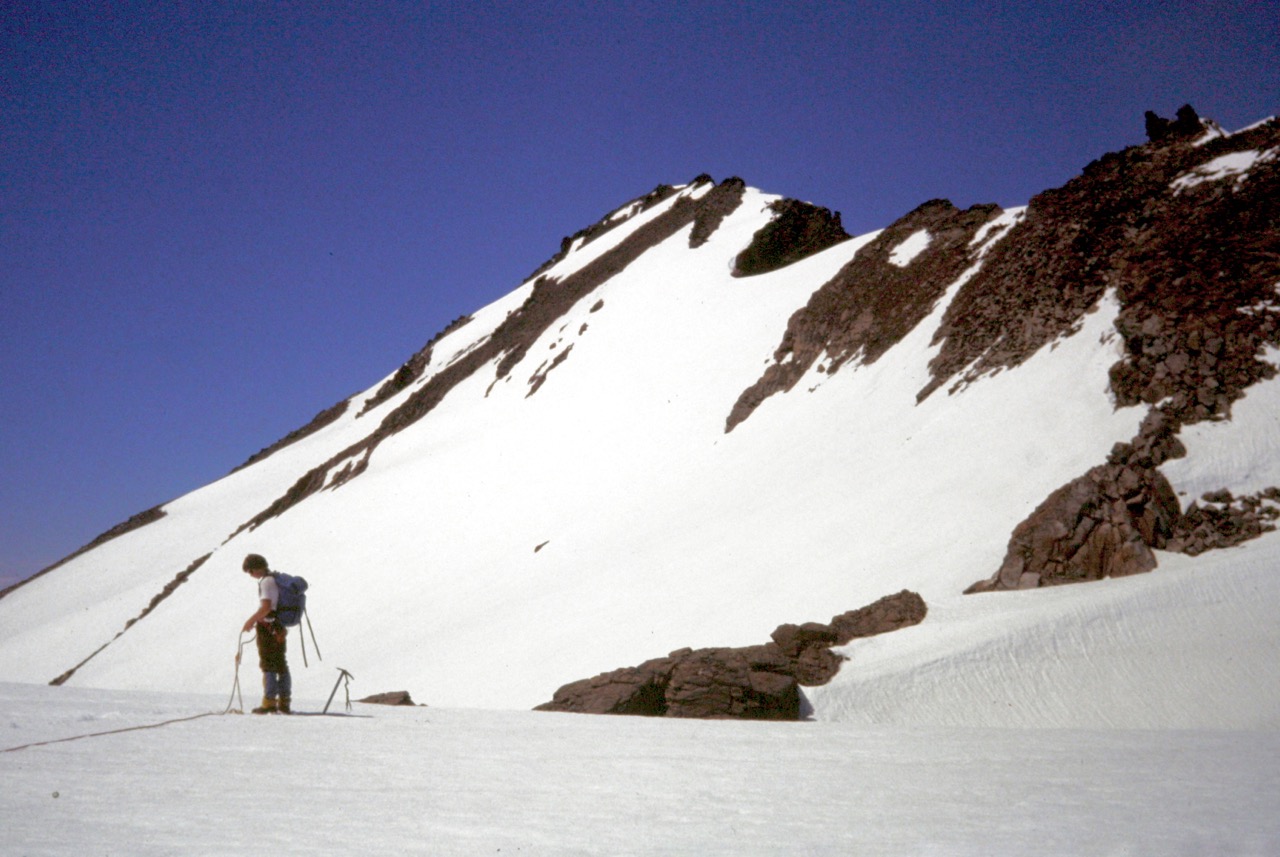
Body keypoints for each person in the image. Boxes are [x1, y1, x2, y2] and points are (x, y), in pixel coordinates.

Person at [242, 553, 291, 714]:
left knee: (268, 664)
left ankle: (269, 702)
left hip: (268, 628)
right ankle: (284, 702)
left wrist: (250, 621)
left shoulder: (266, 582)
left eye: (250, 571)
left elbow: (266, 607)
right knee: (280, 664)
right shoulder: (274, 579)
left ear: (258, 567)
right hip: (278, 627)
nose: (251, 575)